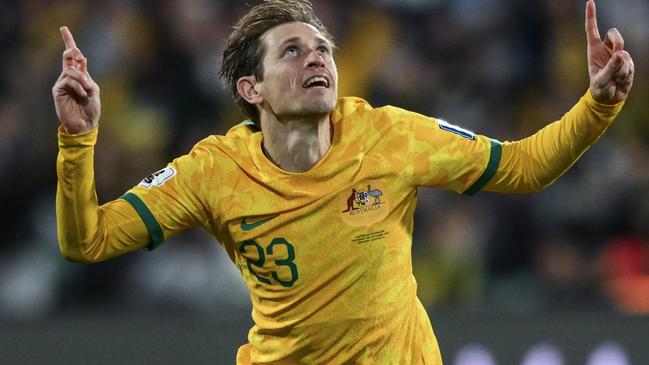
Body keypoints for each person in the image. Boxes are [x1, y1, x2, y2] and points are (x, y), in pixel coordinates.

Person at [53, 0, 633, 363]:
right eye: (293, 51)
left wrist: (597, 106)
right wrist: (78, 142)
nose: (318, 60)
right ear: (251, 90)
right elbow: (88, 240)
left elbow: (522, 166)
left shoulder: (389, 134)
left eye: (323, 49)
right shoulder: (213, 171)